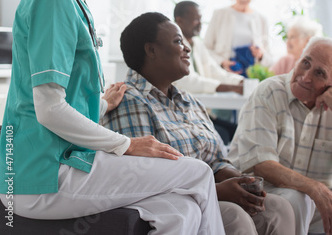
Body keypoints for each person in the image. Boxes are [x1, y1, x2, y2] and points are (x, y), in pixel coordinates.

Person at [0, 0, 224, 235]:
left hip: (51, 165)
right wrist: (128, 145)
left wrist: (101, 104)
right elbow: (47, 108)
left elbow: (61, 101)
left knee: (179, 211)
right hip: (41, 174)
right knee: (197, 173)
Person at [102, 12, 296, 235]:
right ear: (151, 50)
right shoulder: (128, 100)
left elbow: (215, 161)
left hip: (208, 194)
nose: (187, 48)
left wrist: (241, 181)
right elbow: (145, 178)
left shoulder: (189, 101)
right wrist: (215, 191)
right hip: (172, 203)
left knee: (278, 208)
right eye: (178, 41)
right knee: (235, 218)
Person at [227, 37, 332, 235]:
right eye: (305, 63)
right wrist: (314, 188)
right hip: (256, 196)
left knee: (303, 199)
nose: (306, 77)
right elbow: (263, 164)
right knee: (297, 198)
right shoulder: (268, 92)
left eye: (319, 73)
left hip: (308, 204)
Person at [173, 0, 243, 144]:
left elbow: (214, 71)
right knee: (222, 135)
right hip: (183, 115)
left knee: (238, 131)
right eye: (195, 19)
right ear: (179, 21)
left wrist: (240, 82)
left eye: (201, 19)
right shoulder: (173, 46)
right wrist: (229, 88)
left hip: (202, 113)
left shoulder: (197, 43)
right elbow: (188, 81)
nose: (200, 24)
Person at [204, 0, 271, 76]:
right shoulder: (219, 14)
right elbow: (205, 48)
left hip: (251, 74)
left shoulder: (262, 19)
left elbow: (269, 56)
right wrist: (222, 62)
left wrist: (261, 55)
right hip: (224, 73)